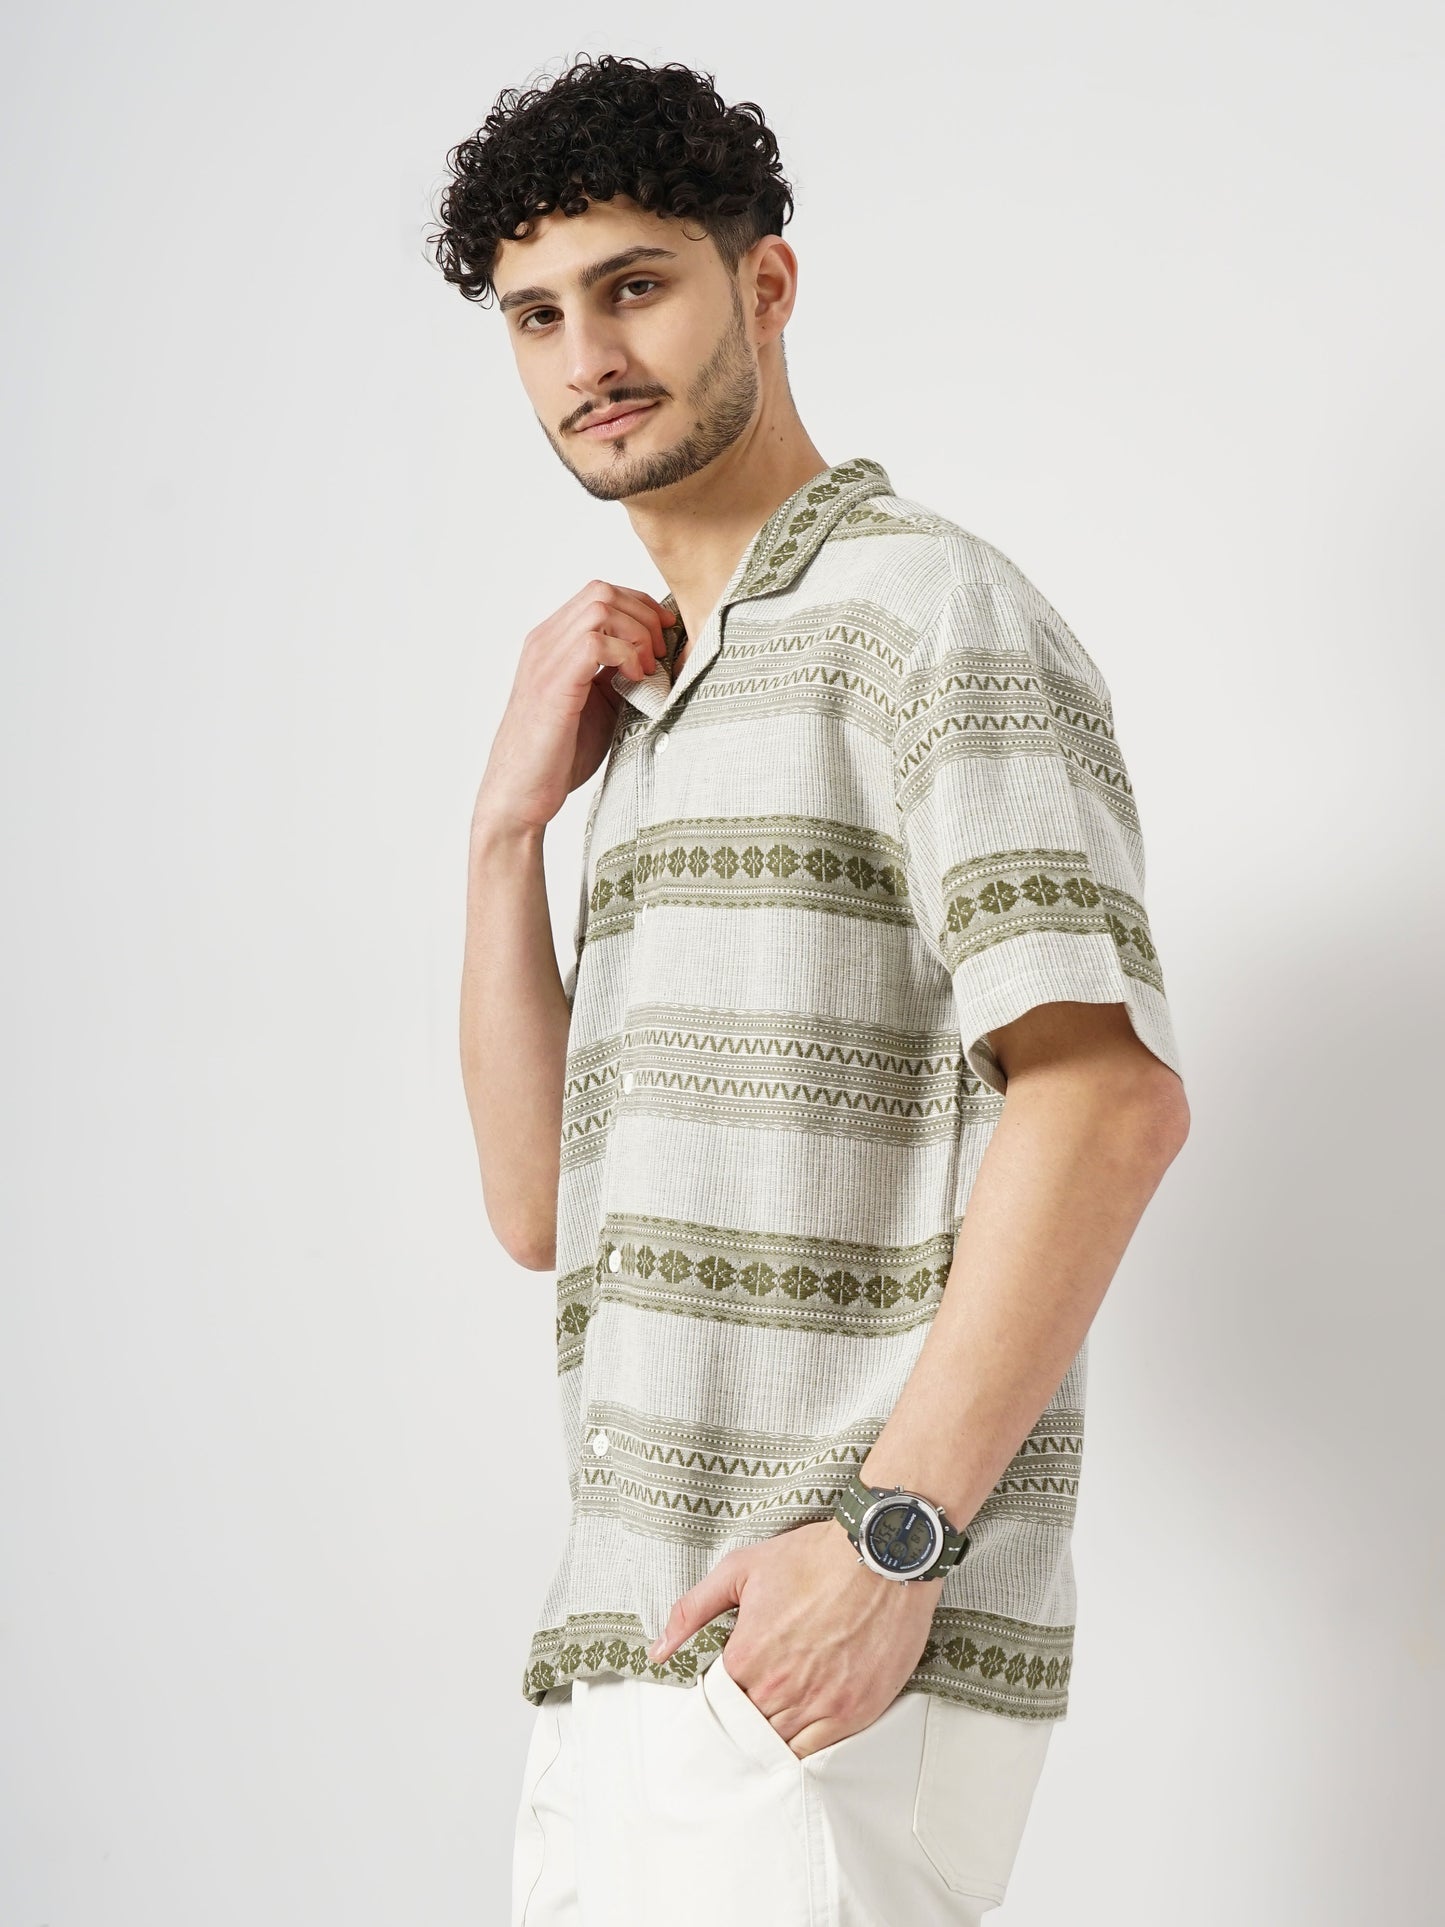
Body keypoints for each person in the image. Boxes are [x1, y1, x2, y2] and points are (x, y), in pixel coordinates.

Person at [432, 51, 1191, 1927]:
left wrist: (887, 1546)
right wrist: (504, 835)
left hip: (817, 1657)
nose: (588, 355)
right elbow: (536, 1210)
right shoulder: (656, 701)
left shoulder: (929, 616)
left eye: (634, 285)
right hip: (632, 1651)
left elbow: (1107, 1097)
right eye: (537, 314)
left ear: (763, 285)